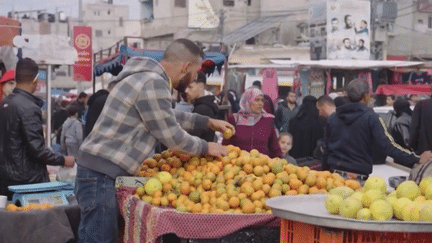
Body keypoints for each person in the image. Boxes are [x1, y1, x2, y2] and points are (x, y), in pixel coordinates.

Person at [74, 39, 233, 243]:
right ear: (185, 67)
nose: (195, 78)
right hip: (100, 175)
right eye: (194, 72)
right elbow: (172, 136)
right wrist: (206, 146)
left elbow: (165, 115)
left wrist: (207, 122)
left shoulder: (144, 78)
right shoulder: (153, 82)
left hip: (98, 173)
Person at [323, 79, 432, 179]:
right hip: (358, 178)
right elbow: (388, 146)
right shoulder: (371, 117)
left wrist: (324, 174)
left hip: (334, 176)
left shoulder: (333, 118)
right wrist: (416, 158)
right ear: (366, 95)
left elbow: (326, 149)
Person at [0, 58, 75, 200]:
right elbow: (37, 149)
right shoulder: (29, 108)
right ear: (35, 80)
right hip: (27, 183)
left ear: (16, 78)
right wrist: (63, 160)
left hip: (5, 181)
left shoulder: (5, 103)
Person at [222, 87, 282, 158]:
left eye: (262, 100)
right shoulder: (234, 119)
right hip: (239, 164)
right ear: (248, 101)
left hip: (262, 165)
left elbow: (274, 147)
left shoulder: (268, 120)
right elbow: (226, 145)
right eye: (257, 100)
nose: (260, 103)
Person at [185, 71, 219, 141]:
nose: (186, 91)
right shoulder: (205, 105)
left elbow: (192, 139)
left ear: (201, 86)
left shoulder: (202, 109)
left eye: (190, 87)